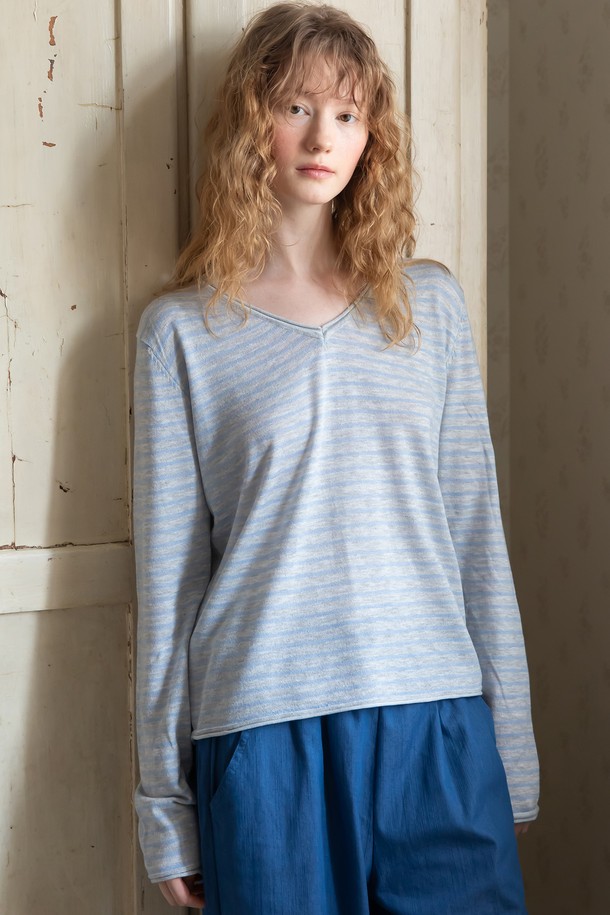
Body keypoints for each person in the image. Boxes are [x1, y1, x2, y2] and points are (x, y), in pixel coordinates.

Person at [132, 3, 539, 912]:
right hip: (263, 735)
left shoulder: (429, 309)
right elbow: (170, 585)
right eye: (297, 108)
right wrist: (165, 806)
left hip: (435, 724)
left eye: (349, 114)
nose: (323, 137)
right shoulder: (181, 334)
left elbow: (476, 536)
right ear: (252, 125)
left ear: (371, 138)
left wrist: (510, 746)